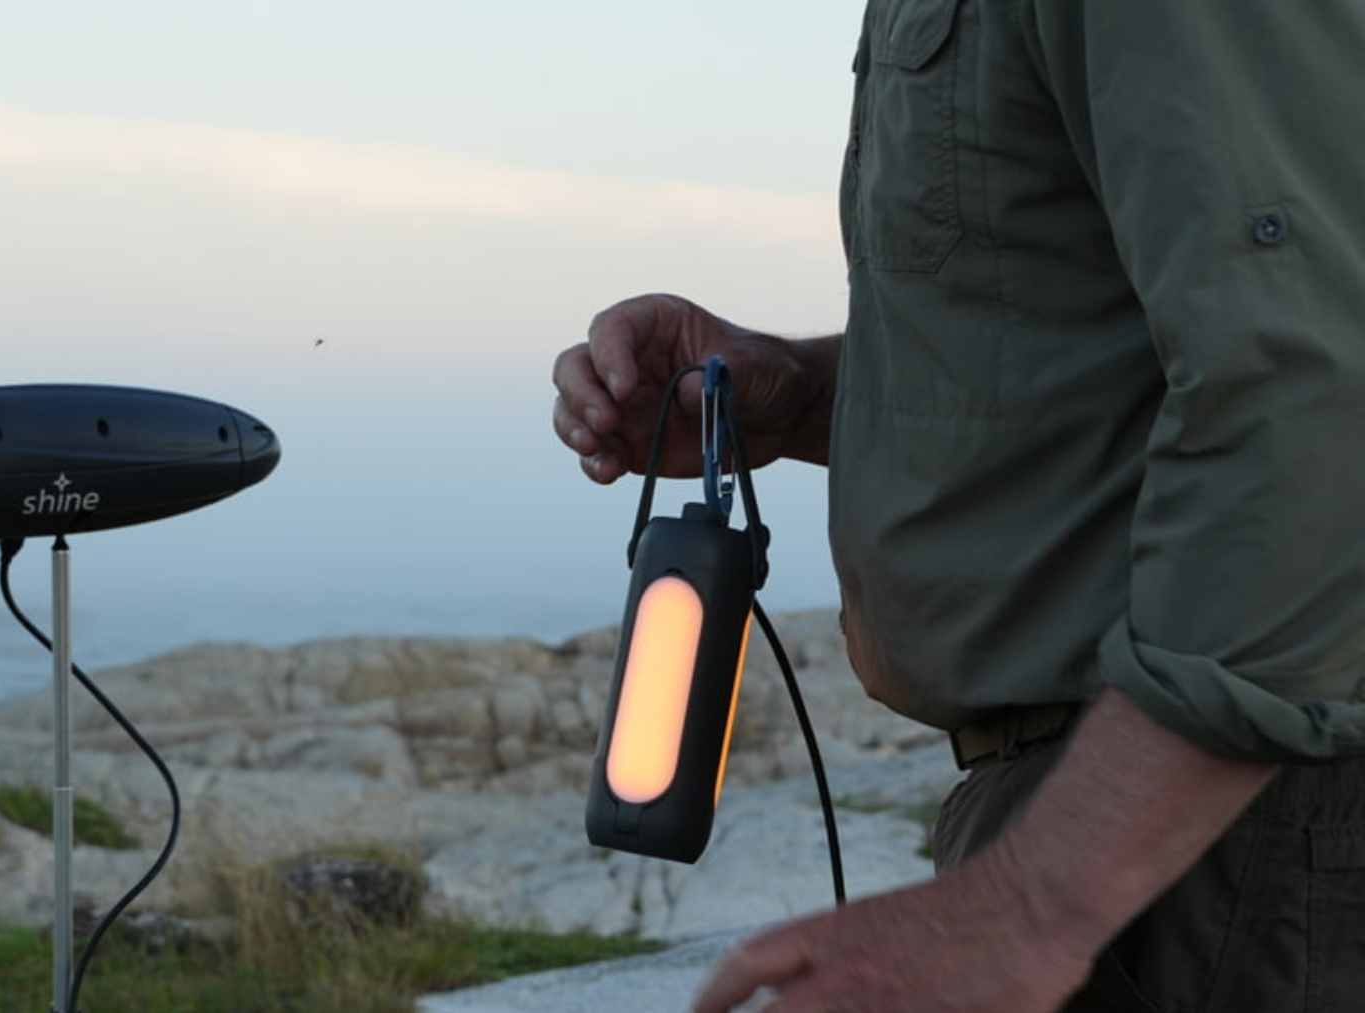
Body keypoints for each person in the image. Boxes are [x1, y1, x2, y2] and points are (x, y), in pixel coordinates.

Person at [551, 3, 1365, 1010]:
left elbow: (1317, 396)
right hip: (1141, 835)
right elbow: (1109, 354)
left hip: (1220, 847)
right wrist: (800, 396)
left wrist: (1033, 902)